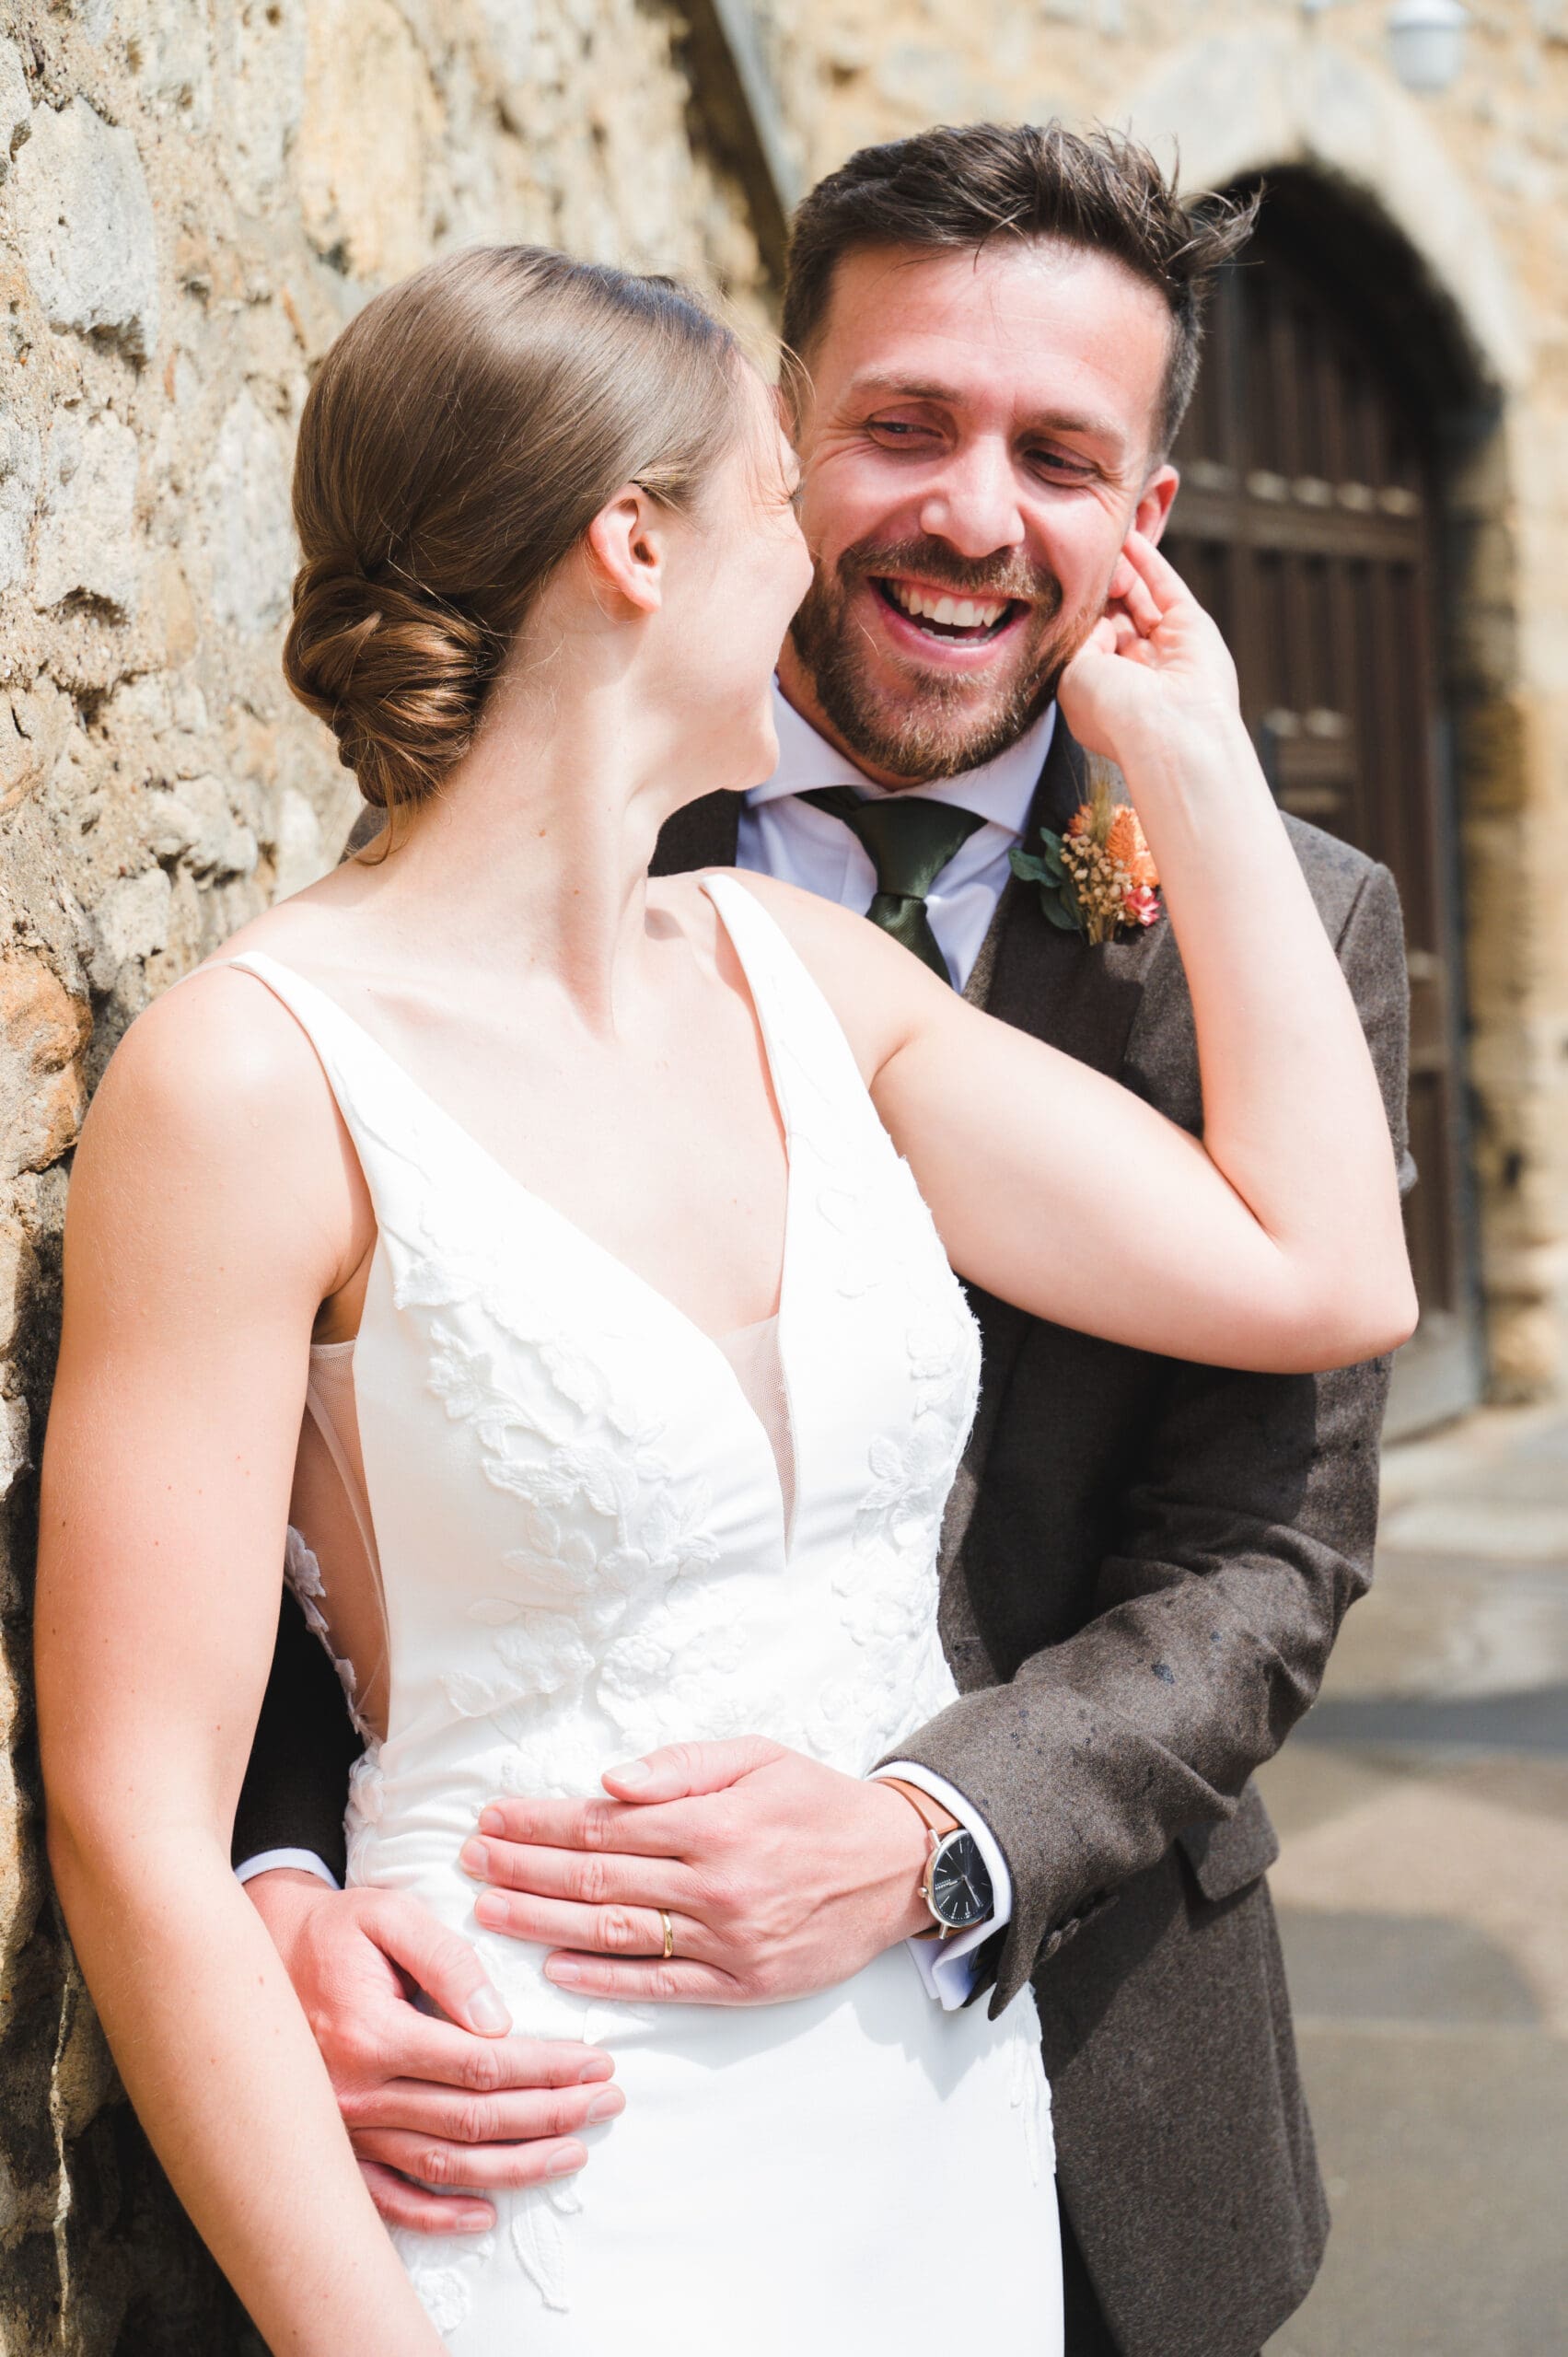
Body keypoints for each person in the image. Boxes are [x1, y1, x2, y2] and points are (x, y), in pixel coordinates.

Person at [37, 204, 1411, 2357]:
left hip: (925, 2138)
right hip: (528, 2157)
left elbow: (1319, 1269)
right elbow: (134, 1804)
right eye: (792, 479)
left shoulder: (799, 968)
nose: (850, 541)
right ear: (636, 548)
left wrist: (1202, 761)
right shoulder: (242, 1078)